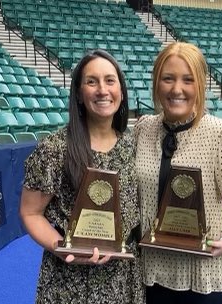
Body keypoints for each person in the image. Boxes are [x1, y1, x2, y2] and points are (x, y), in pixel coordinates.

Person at [134, 42, 222, 304]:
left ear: (200, 85)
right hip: (149, 273)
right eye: (168, 79)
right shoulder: (143, 129)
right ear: (156, 83)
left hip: (205, 275)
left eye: (188, 80)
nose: (177, 89)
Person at [20, 49, 144, 304]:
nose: (102, 90)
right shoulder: (54, 149)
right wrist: (62, 247)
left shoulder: (136, 147)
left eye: (110, 80)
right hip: (69, 281)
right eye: (91, 81)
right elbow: (30, 213)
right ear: (78, 92)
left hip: (124, 279)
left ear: (121, 89)